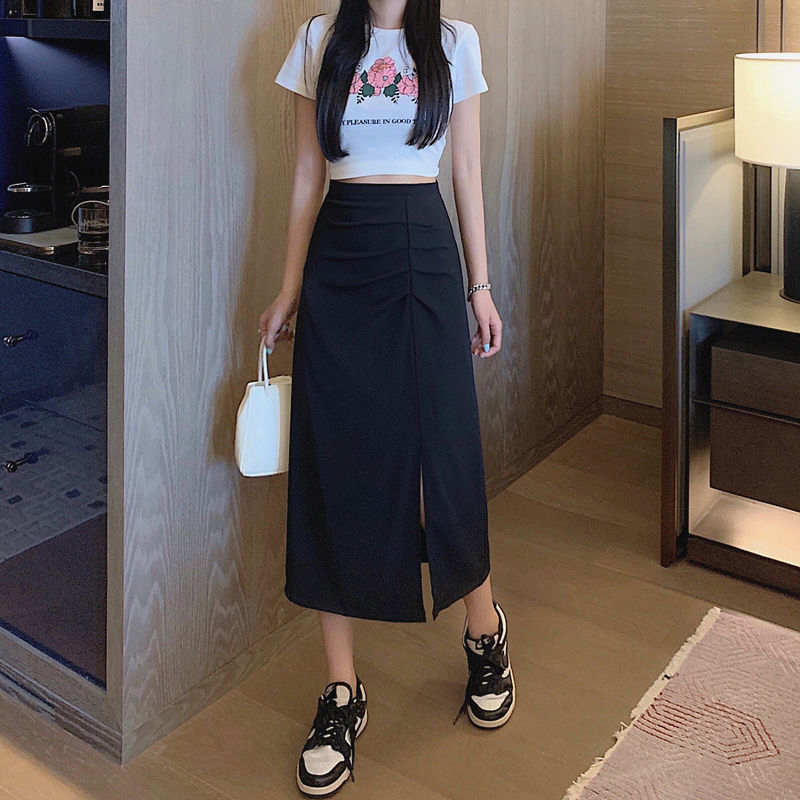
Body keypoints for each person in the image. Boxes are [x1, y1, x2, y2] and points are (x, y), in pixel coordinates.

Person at [263, 0, 514, 794]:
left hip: (422, 251)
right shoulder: (318, 39)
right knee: (333, 466)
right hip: (340, 260)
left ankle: (484, 629)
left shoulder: (455, 43)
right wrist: (290, 286)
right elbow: (307, 174)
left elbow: (465, 171)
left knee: (439, 461)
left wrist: (480, 286)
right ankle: (342, 690)